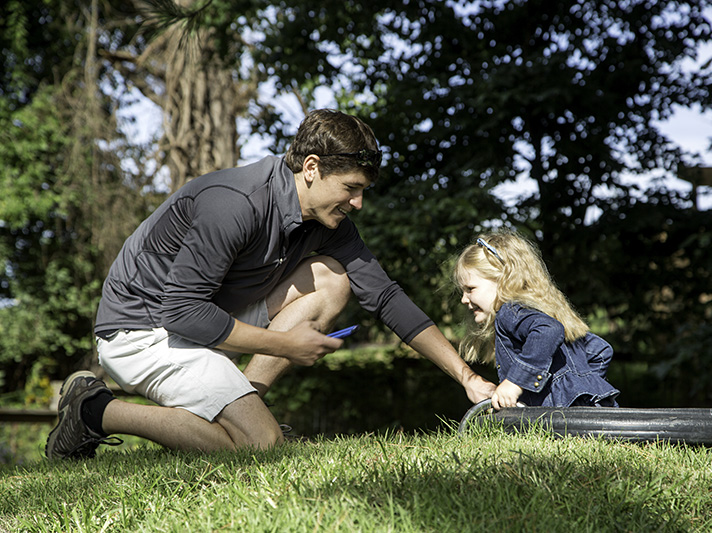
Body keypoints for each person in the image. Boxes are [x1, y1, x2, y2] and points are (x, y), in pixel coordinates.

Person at [46, 109, 495, 459]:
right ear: (312, 167)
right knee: (262, 448)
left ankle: (242, 410)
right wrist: (285, 346)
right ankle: (93, 411)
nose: (358, 203)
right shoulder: (235, 204)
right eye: (351, 188)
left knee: (333, 280)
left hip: (203, 320)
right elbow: (182, 312)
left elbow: (384, 296)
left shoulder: (329, 220)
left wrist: (467, 377)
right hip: (142, 330)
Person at [454, 231, 619, 411]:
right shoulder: (544, 313)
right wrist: (586, 387)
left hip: (564, 418)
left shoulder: (509, 311)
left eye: (470, 289)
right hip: (595, 411)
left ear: (502, 280)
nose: (463, 299)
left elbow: (549, 330)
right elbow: (601, 350)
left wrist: (515, 382)